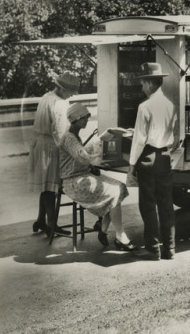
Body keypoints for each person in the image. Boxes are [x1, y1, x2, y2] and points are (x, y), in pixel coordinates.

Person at [59, 103, 136, 251]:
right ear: (75, 119)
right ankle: (120, 236)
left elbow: (78, 159)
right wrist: (101, 144)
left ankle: (103, 229)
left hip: (83, 176)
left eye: (87, 118)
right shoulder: (69, 138)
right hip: (74, 182)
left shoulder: (74, 136)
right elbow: (83, 156)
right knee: (113, 192)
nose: (86, 121)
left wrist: (92, 167)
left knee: (119, 187)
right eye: (84, 119)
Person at [128, 63, 179, 260]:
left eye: (143, 83)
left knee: (148, 204)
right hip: (164, 156)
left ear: (149, 83)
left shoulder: (145, 106)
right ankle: (170, 247)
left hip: (148, 156)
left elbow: (139, 139)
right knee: (166, 202)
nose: (142, 87)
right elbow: (173, 134)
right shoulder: (170, 104)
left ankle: (153, 247)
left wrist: (132, 164)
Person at [28, 71, 80, 236]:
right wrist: (69, 149)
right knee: (50, 186)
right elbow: (59, 132)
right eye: (71, 92)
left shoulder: (46, 97)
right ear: (64, 90)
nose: (72, 95)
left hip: (39, 144)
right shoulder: (60, 104)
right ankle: (51, 223)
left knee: (45, 185)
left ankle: (41, 219)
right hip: (50, 146)